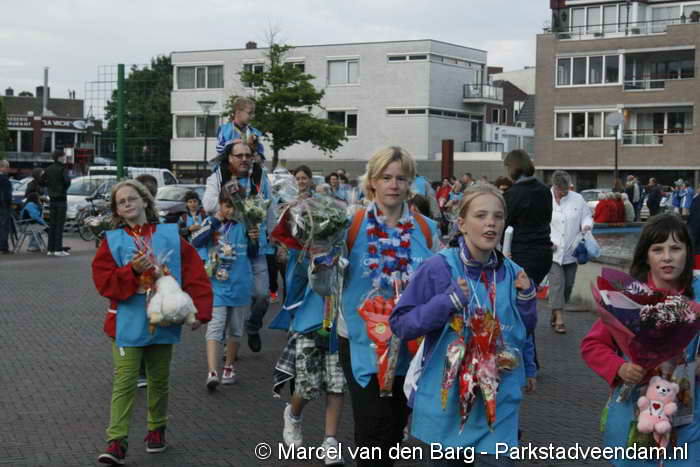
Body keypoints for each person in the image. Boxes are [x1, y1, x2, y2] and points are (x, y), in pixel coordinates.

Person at [391, 183, 537, 466]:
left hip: (499, 400)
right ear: (462, 224)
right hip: (447, 402)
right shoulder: (438, 268)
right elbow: (401, 324)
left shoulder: (515, 273)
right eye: (481, 215)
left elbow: (522, 329)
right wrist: (447, 302)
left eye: (497, 216)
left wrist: (529, 365)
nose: (490, 223)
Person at [92, 180, 212, 465]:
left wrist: (201, 311)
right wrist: (131, 270)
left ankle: (156, 430)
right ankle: (116, 441)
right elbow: (103, 282)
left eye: (132, 198)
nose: (127, 204)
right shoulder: (111, 240)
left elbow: (194, 271)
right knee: (125, 380)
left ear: (145, 201)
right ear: (117, 211)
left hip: (163, 318)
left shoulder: (170, 235)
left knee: (159, 380)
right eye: (121, 202)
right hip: (126, 320)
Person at [338, 146, 440, 467]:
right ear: (372, 181)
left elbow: (438, 282)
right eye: (386, 177)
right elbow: (325, 284)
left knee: (394, 429)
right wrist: (318, 261)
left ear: (410, 183)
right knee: (372, 428)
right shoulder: (351, 225)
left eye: (401, 178)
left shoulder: (427, 229)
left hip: (410, 345)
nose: (394, 185)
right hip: (361, 343)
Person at [581, 213, 700, 467]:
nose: (667, 257)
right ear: (646, 255)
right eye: (658, 249)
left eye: (675, 248)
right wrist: (620, 368)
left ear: (687, 252)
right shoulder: (626, 297)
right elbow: (592, 345)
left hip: (687, 414)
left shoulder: (698, 294)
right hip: (635, 412)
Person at [203, 139, 275, 353]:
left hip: (256, 245)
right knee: (229, 295)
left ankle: (252, 326)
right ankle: (228, 342)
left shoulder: (260, 177)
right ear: (229, 158)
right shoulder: (218, 177)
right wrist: (239, 208)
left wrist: (275, 238)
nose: (244, 159)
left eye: (248, 155)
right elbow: (208, 205)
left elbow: (270, 209)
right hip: (230, 249)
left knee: (262, 295)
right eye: (239, 155)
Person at [192, 191, 258, 389]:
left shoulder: (246, 224)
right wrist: (215, 221)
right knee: (215, 326)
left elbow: (253, 253)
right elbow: (196, 241)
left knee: (236, 329)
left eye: (235, 207)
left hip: (240, 283)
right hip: (217, 285)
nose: (231, 211)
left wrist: (254, 239)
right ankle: (212, 372)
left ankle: (229, 366)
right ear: (220, 205)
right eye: (227, 206)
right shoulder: (211, 222)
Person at [548, 170, 593, 334]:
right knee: (557, 284)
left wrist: (586, 225)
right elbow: (540, 223)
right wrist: (546, 241)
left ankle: (555, 310)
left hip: (572, 251)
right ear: (554, 186)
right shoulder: (545, 199)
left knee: (568, 285)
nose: (564, 193)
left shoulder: (577, 199)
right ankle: (560, 318)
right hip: (552, 251)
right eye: (561, 190)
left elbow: (587, 216)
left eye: (566, 190)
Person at [502, 150, 552, 286]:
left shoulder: (512, 195)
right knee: (530, 294)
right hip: (544, 254)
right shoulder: (545, 190)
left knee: (518, 296)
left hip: (522, 255)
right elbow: (548, 219)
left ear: (511, 168)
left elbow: (502, 226)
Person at [44, 150, 71, 256]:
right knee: (60, 225)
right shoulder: (62, 169)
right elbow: (67, 182)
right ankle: (58, 249)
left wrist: (50, 187)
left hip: (52, 200)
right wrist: (62, 189)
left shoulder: (48, 169)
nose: (65, 158)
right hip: (61, 199)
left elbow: (42, 181)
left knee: (52, 224)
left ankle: (50, 249)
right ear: (60, 157)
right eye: (64, 156)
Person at [0, 160, 13, 254]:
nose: (8, 169)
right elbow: (7, 194)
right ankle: (3, 247)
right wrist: (8, 204)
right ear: (1, 167)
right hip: (3, 206)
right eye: (7, 167)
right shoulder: (4, 179)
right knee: (4, 226)